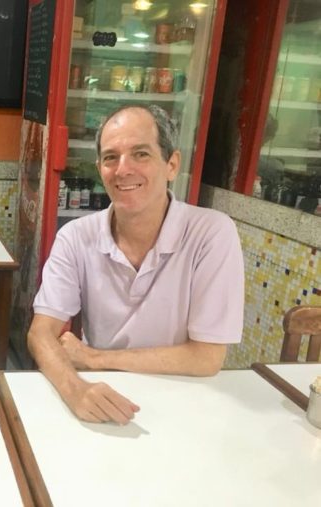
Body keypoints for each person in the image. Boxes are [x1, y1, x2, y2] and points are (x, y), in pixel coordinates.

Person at [28, 104, 244, 425]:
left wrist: (94, 358)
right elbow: (40, 333)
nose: (123, 169)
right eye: (110, 157)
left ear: (172, 165)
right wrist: (75, 390)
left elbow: (207, 357)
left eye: (140, 154)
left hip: (184, 400)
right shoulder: (76, 236)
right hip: (104, 393)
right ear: (100, 169)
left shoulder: (211, 233)